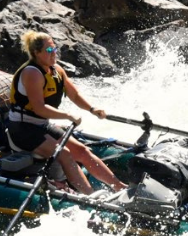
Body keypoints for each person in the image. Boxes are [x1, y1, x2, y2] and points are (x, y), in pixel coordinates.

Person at [7, 31, 127, 195]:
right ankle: (90, 196)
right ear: (36, 53)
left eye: (54, 48)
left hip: (42, 125)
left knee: (83, 152)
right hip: (23, 128)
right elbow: (39, 108)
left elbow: (75, 95)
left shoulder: (56, 70)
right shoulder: (32, 73)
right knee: (64, 153)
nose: (54, 53)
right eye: (49, 50)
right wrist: (68, 116)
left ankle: (119, 187)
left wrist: (92, 109)